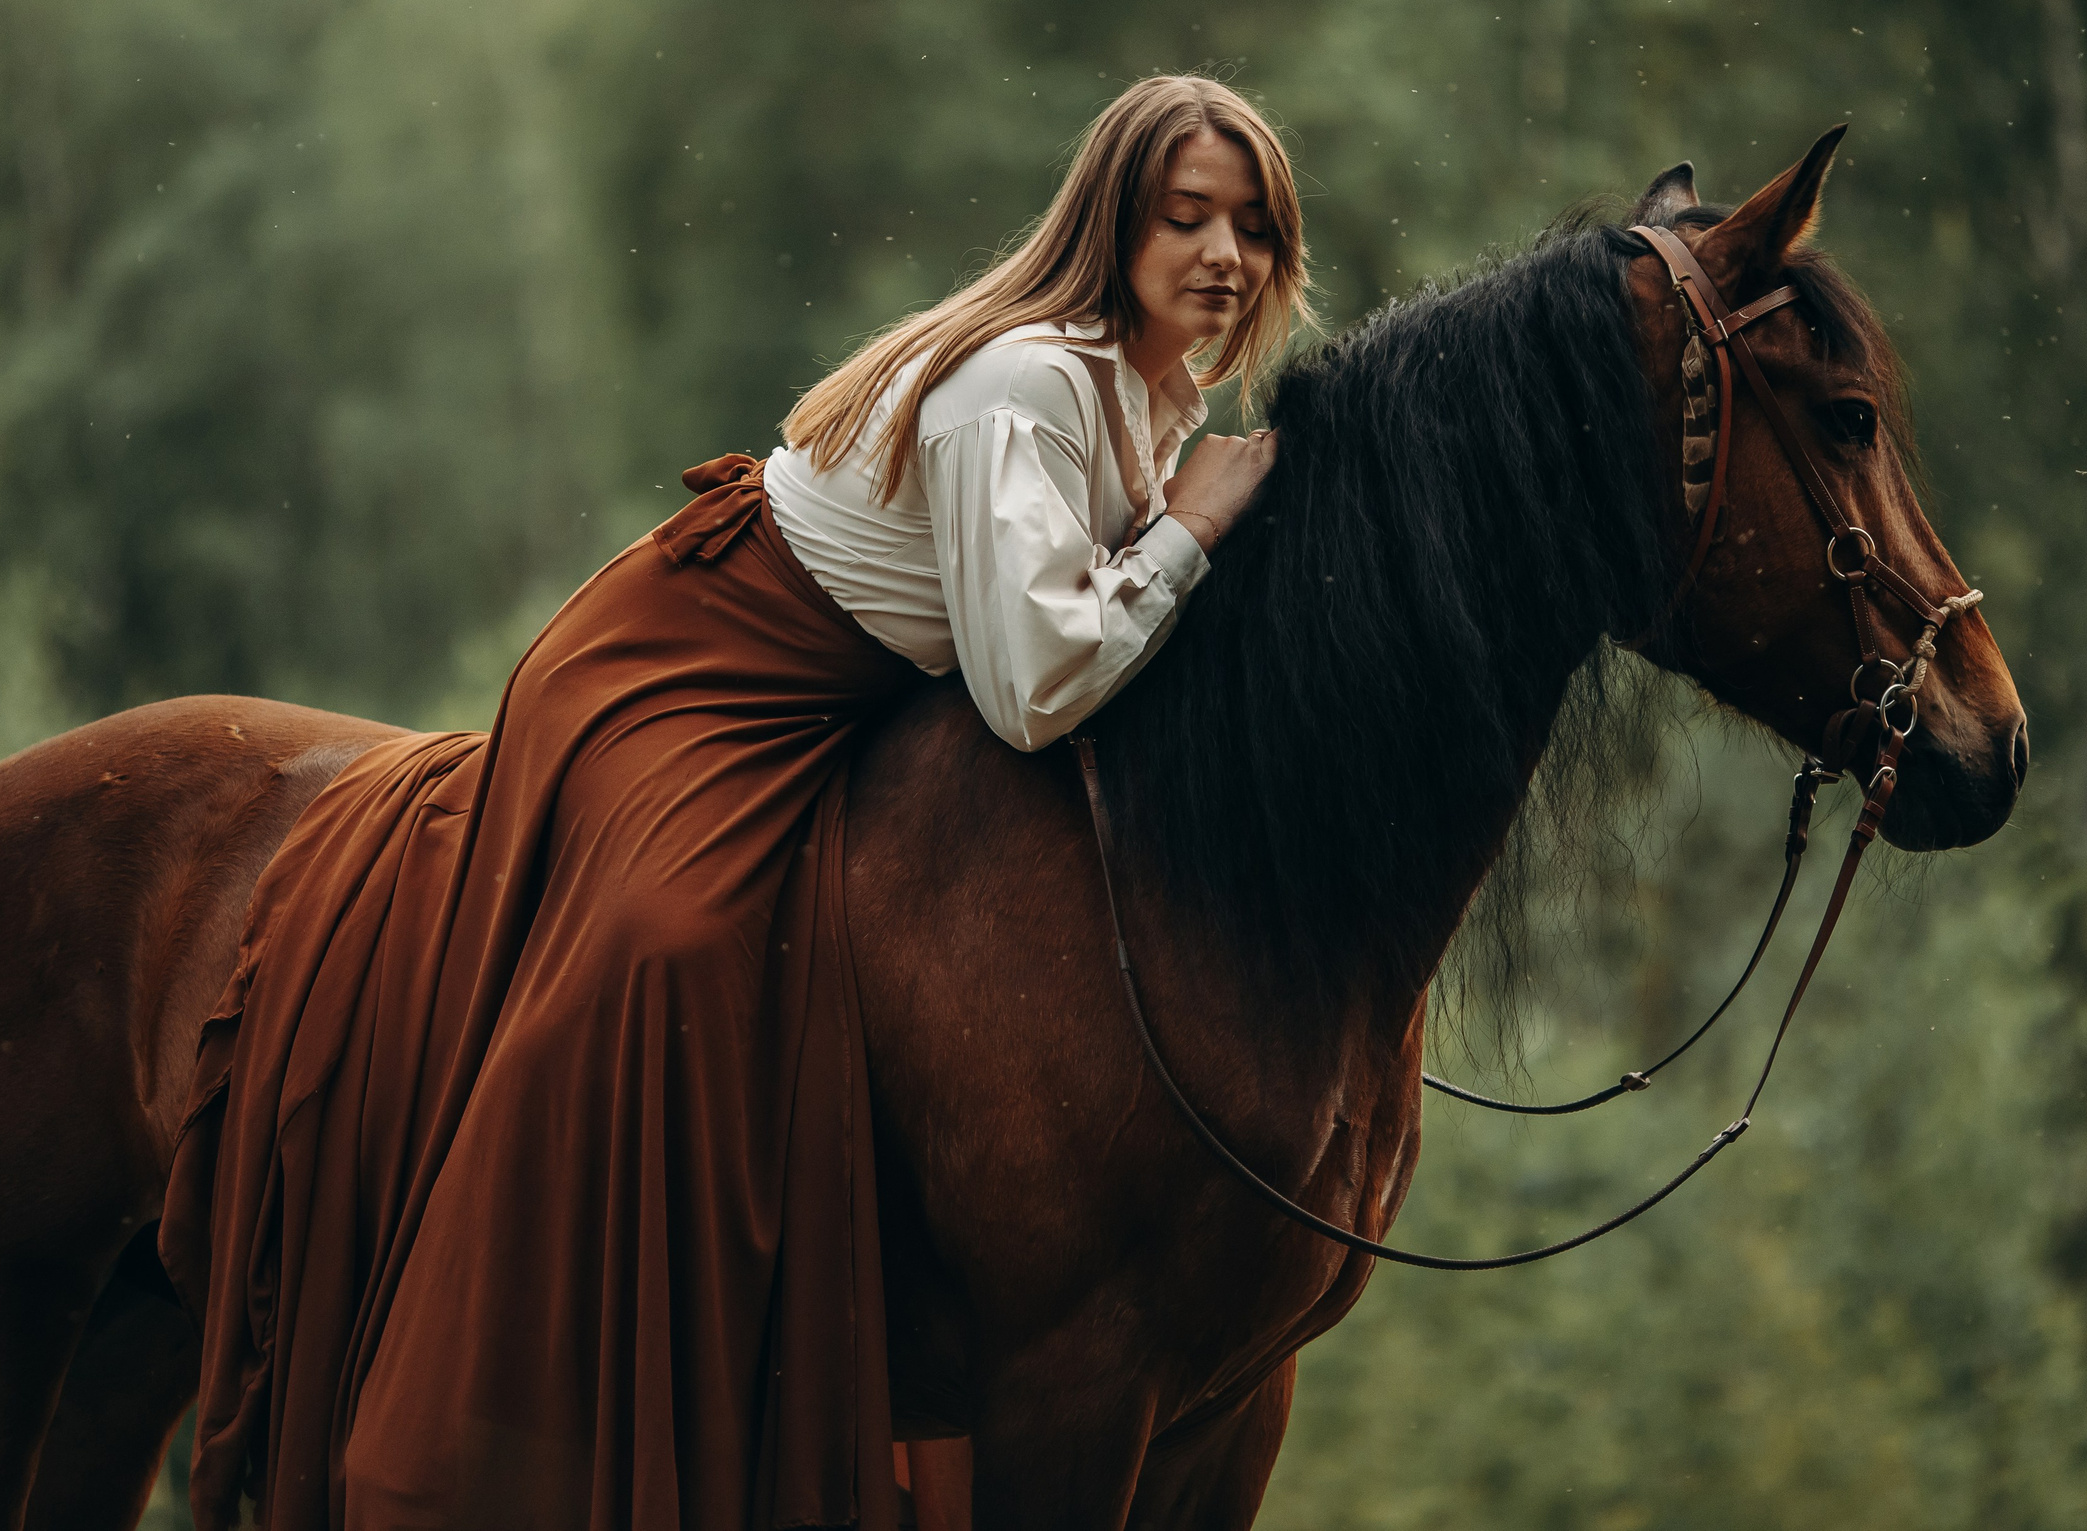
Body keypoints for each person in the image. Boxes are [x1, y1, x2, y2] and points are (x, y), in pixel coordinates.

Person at [160, 74, 1309, 1531]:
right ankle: (519, 1387)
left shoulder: (1163, 394)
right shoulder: (1027, 383)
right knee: (669, 940)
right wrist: (1199, 526)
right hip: (697, 673)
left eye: (1253, 226)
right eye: (1185, 216)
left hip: (860, 703)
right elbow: (1031, 687)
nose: (1222, 255)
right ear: (1111, 222)